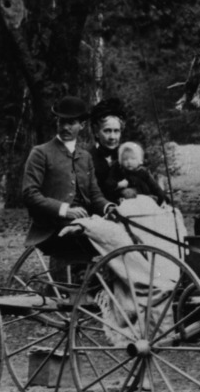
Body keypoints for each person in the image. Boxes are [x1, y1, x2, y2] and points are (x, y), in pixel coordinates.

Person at [21, 93, 127, 283]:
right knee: (101, 236)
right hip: (51, 227)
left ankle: (105, 285)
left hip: (83, 222)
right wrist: (65, 210)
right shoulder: (41, 153)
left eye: (71, 123)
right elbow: (29, 194)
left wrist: (109, 208)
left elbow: (94, 195)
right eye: (62, 122)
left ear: (82, 125)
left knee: (120, 232)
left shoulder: (84, 157)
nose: (65, 127)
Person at [91, 106, 165, 205]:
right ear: (96, 132)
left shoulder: (128, 152)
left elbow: (149, 181)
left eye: (116, 131)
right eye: (107, 131)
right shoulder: (88, 157)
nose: (112, 137)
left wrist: (163, 200)